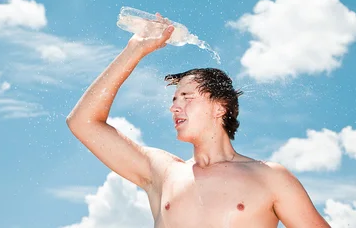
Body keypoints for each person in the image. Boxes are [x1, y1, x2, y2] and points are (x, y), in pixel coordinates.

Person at [66, 14, 330, 228]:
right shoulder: (163, 173)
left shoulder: (270, 177)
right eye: (173, 99)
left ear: (220, 108)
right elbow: (82, 122)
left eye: (186, 97)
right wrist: (135, 50)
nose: (174, 107)